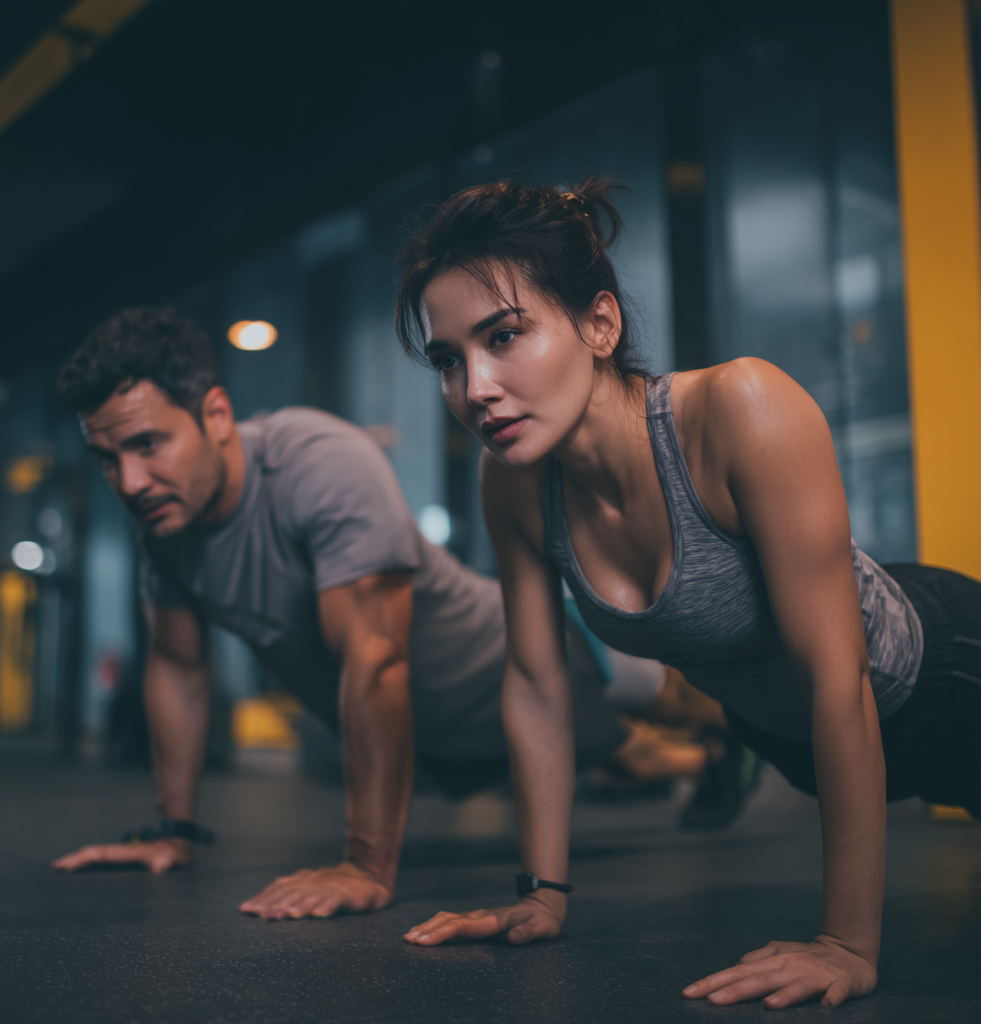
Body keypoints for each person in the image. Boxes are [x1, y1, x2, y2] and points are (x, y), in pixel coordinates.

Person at [394, 176, 981, 1009]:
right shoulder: (515, 483)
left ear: (601, 323)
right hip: (797, 747)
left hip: (947, 683)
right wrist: (542, 893)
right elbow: (536, 685)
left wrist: (846, 944)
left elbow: (836, 679)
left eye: (505, 335)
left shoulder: (741, 409)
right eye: (449, 360)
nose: (475, 387)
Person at [49, 307, 745, 918]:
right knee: (621, 759)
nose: (130, 482)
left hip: (522, 655)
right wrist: (174, 827)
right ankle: (711, 759)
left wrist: (364, 864)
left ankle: (745, 731)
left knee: (693, 699)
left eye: (147, 444)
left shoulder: (313, 463)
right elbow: (178, 669)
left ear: (217, 416)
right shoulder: (164, 532)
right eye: (107, 458)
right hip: (444, 739)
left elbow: (376, 658)